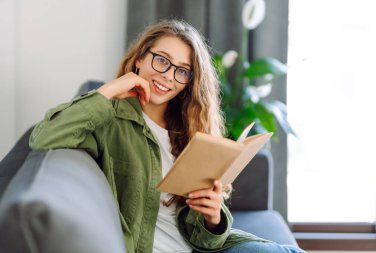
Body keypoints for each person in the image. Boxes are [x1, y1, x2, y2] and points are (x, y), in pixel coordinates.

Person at [29, 19, 306, 253]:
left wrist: (213, 217)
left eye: (182, 70)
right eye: (161, 60)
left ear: (189, 81)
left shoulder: (188, 127)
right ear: (139, 58)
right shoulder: (109, 119)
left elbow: (205, 239)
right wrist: (111, 89)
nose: (168, 76)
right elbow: (44, 136)